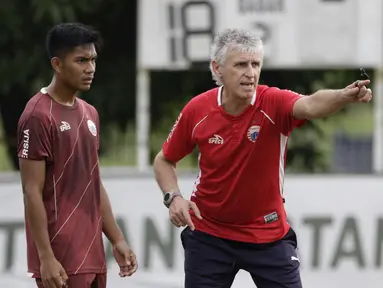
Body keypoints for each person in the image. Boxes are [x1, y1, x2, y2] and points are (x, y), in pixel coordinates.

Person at [153, 28, 372, 288]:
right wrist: (174, 197)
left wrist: (342, 96)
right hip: (209, 233)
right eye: (241, 64)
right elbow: (164, 160)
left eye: (256, 64)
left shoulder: (274, 103)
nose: (251, 72)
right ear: (218, 68)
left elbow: (311, 105)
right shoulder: (198, 109)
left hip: (268, 234)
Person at [17, 23, 137, 288]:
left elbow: (93, 183)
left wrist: (116, 239)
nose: (90, 68)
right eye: (81, 60)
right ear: (57, 64)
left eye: (93, 60)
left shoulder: (90, 113)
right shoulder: (37, 116)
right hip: (61, 257)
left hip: (92, 253)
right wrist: (45, 257)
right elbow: (31, 191)